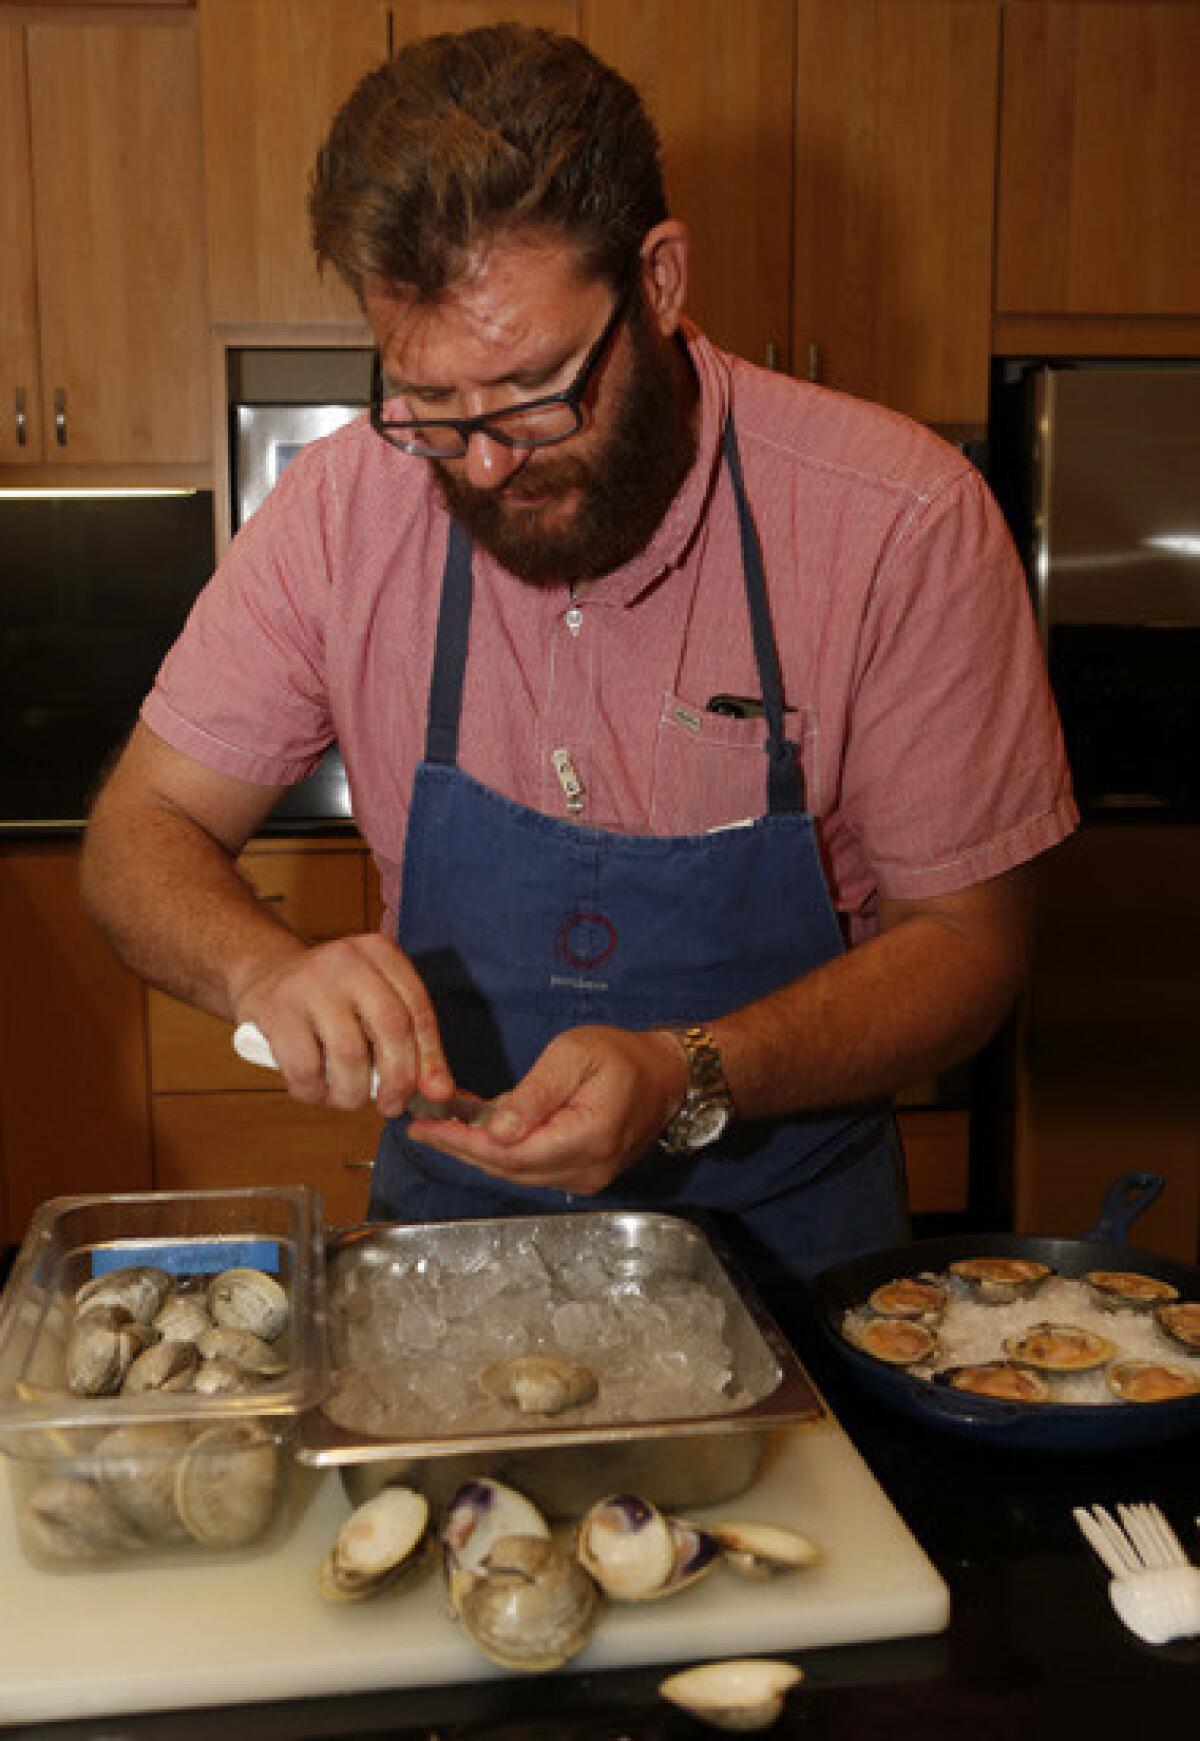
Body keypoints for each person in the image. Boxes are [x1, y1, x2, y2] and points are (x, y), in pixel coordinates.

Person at [80, 24, 1076, 1293]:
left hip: (795, 1263)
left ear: (659, 282)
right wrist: (262, 966)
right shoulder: (344, 511)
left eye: (533, 389)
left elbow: (971, 944)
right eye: (430, 406)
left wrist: (689, 1070)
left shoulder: (900, 521)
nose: (483, 461)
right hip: (450, 1250)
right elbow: (137, 829)